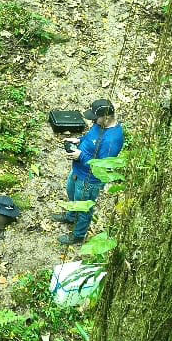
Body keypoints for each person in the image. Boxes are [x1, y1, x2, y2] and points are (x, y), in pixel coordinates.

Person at [52, 99, 125, 245]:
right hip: (78, 171)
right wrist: (78, 140)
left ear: (106, 117)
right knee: (71, 193)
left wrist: (81, 156)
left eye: (95, 117)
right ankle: (71, 216)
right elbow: (91, 138)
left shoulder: (112, 139)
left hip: (89, 180)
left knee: (84, 209)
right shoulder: (99, 125)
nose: (93, 120)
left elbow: (103, 166)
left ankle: (78, 235)